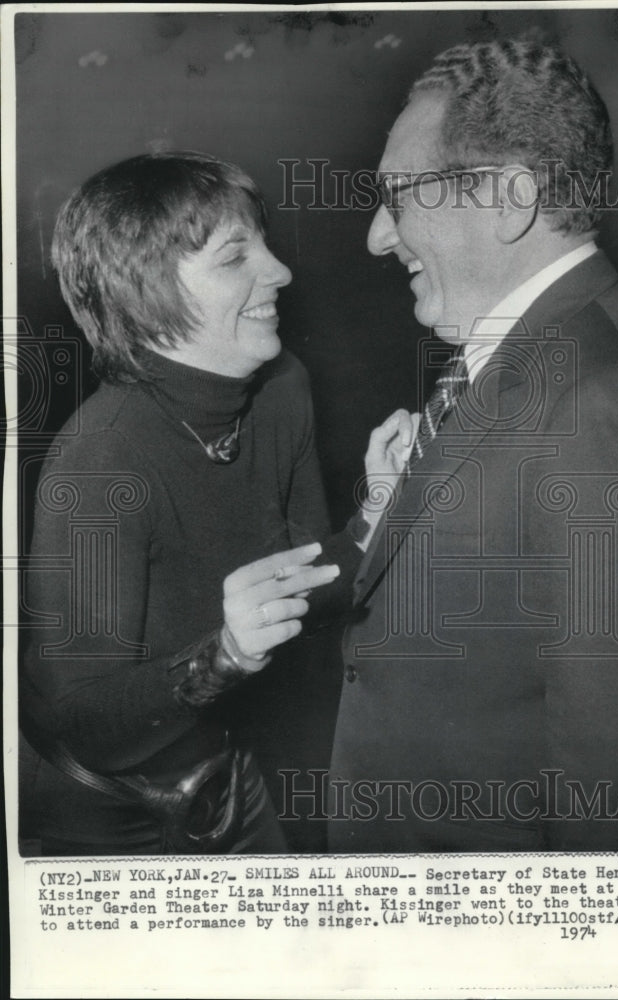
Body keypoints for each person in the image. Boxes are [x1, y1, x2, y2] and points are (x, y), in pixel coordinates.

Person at [326, 39, 618, 852]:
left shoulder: (609, 402)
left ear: (507, 198)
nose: (377, 237)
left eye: (399, 196)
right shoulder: (531, 343)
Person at [19, 150, 372, 855]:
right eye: (235, 256)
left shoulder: (282, 388)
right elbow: (83, 723)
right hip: (103, 816)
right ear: (148, 292)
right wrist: (226, 655)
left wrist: (380, 514)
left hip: (225, 770)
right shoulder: (98, 462)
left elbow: (300, 588)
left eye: (263, 244)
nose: (279, 271)